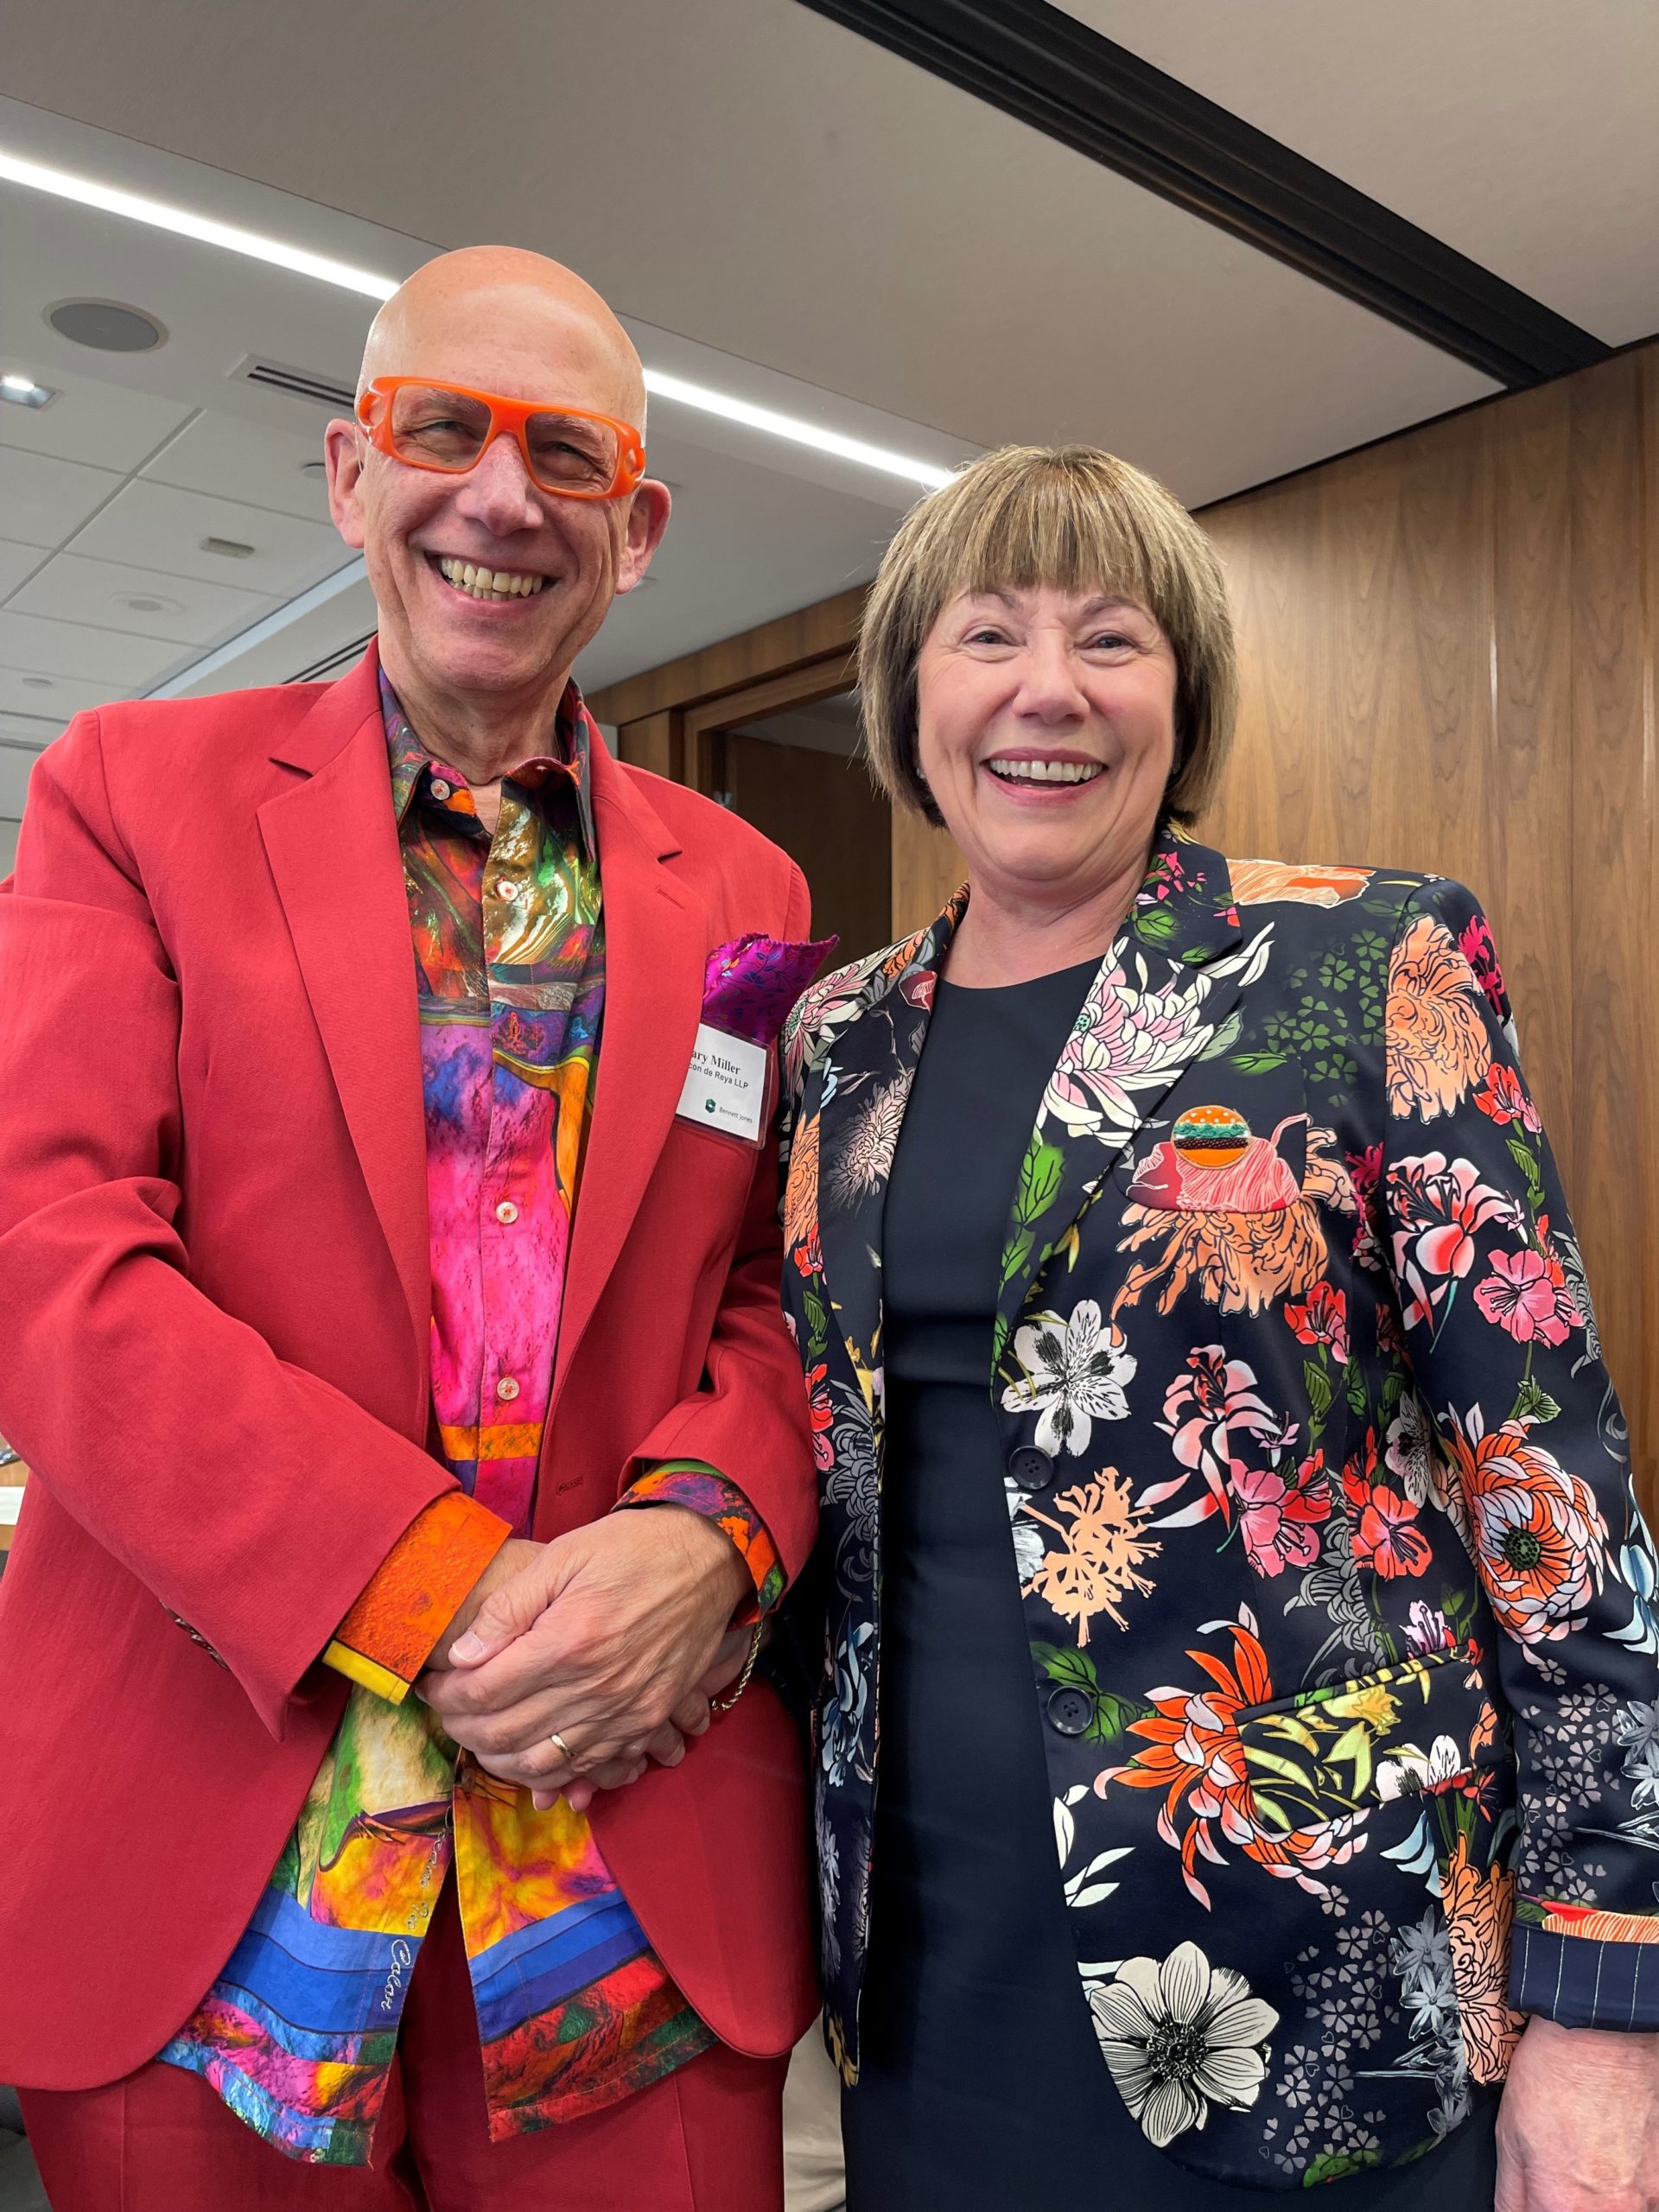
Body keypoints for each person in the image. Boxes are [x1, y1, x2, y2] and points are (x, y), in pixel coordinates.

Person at [0, 245, 829, 2211]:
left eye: (566, 454)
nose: (500, 495)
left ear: (636, 531)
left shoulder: (750, 881)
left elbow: (783, 1295)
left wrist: (707, 1543)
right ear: (347, 472)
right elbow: (50, 1249)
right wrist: (434, 1588)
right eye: (441, 430)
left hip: (631, 1833)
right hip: (220, 1849)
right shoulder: (128, 791)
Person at [779, 443, 1659, 2207]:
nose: (1047, 690)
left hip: (1324, 1956)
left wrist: (1606, 2010)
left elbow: (1557, 1503)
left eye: (1110, 638)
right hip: (929, 1960)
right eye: (986, 637)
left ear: (1182, 699)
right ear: (910, 695)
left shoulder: (1370, 958)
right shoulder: (837, 1041)